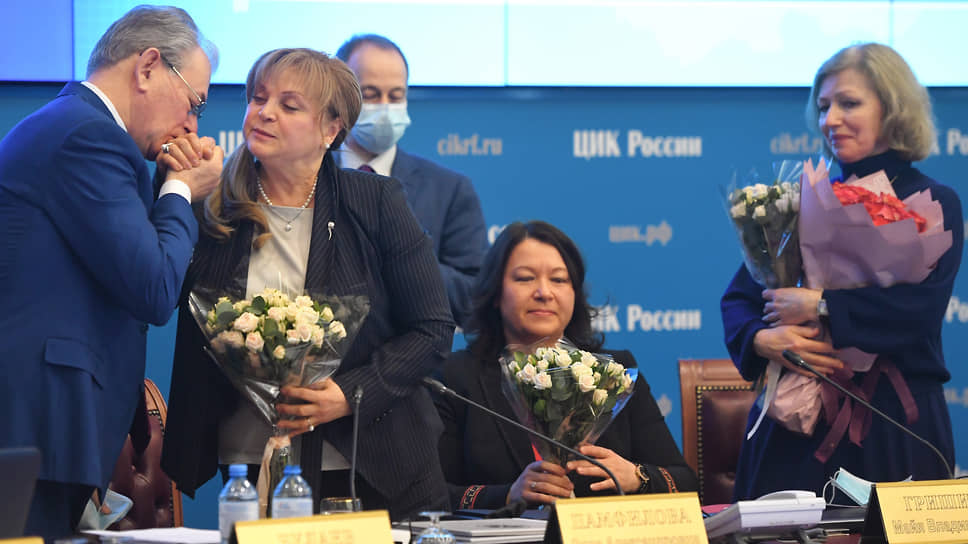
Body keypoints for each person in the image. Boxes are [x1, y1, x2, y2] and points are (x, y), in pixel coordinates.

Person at [161, 48, 454, 520]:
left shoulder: (374, 201)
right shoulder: (212, 207)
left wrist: (349, 394)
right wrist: (171, 182)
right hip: (249, 465)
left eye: (289, 105)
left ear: (330, 129)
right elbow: (158, 289)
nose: (265, 112)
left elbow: (432, 329)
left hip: (370, 465)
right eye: (258, 98)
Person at [0, 5, 222, 539]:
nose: (193, 125)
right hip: (40, 425)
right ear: (147, 67)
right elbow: (153, 288)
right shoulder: (88, 137)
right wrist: (181, 189)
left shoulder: (76, 128)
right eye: (194, 102)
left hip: (49, 428)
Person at [721, 43, 962, 500]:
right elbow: (739, 300)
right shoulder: (800, 199)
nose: (830, 119)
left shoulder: (933, 202)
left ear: (893, 108)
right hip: (796, 430)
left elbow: (919, 312)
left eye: (848, 103)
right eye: (823, 106)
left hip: (896, 427)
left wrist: (822, 305)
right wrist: (761, 339)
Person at [434, 221, 698, 510]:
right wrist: (507, 495)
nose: (544, 292)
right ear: (496, 293)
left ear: (575, 292)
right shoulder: (456, 378)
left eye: (559, 280)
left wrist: (638, 477)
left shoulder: (614, 373)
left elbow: (685, 483)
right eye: (525, 279)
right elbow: (431, 495)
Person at [334, 34, 487, 328]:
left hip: (415, 351)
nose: (385, 108)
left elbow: (474, 298)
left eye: (395, 96)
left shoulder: (450, 190)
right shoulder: (306, 178)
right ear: (341, 97)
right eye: (370, 94)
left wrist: (405, 259)